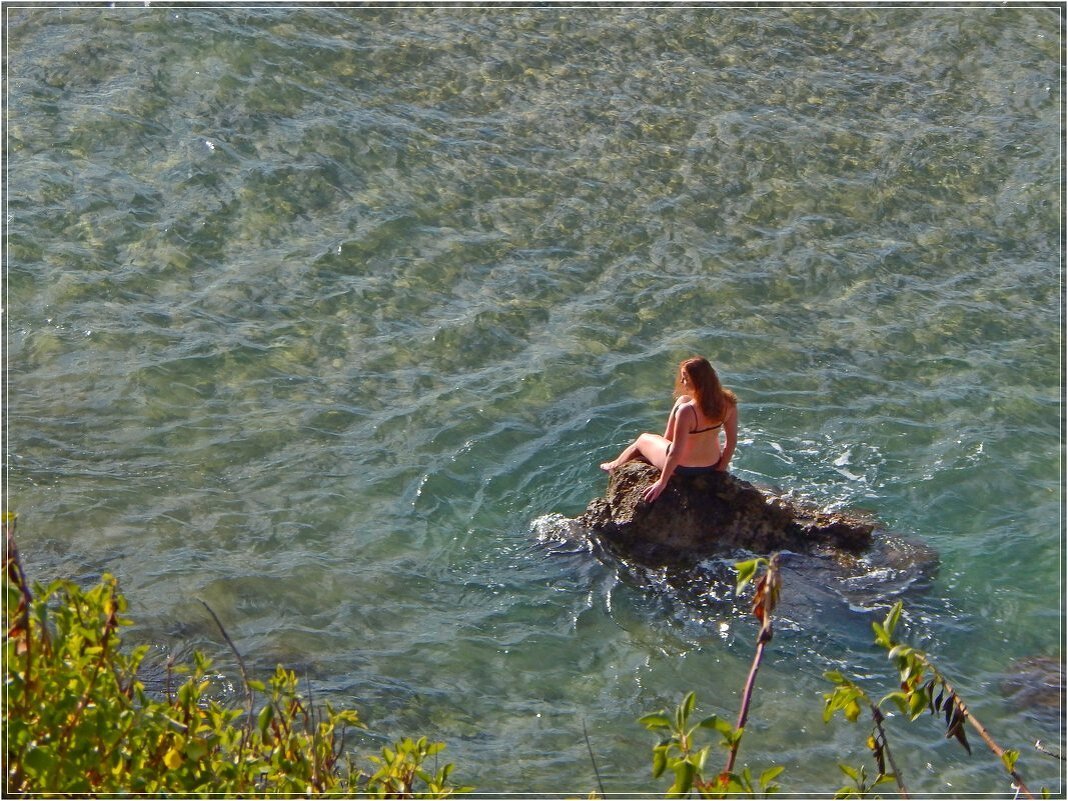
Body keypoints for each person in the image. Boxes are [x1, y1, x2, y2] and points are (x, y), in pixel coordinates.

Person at [599, 357, 738, 504]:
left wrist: (662, 481)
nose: (683, 382)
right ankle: (663, 443)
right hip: (711, 464)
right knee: (682, 399)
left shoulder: (687, 411)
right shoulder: (729, 403)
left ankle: (613, 466)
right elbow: (731, 442)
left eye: (685, 378)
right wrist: (720, 471)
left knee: (643, 439)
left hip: (682, 467)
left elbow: (676, 451)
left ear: (697, 381)